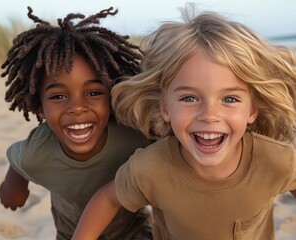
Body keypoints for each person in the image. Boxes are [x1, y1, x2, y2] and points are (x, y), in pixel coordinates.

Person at [71, 4, 296, 240]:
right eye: (189, 98)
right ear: (165, 108)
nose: (209, 115)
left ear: (252, 110)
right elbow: (108, 198)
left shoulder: (275, 160)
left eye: (229, 99)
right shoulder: (150, 168)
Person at [0, 6, 153, 240]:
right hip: (70, 233)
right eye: (58, 97)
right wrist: (14, 189)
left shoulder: (133, 136)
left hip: (132, 232)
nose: (77, 107)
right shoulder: (38, 151)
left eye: (93, 93)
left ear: (111, 96)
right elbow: (18, 160)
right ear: (39, 106)